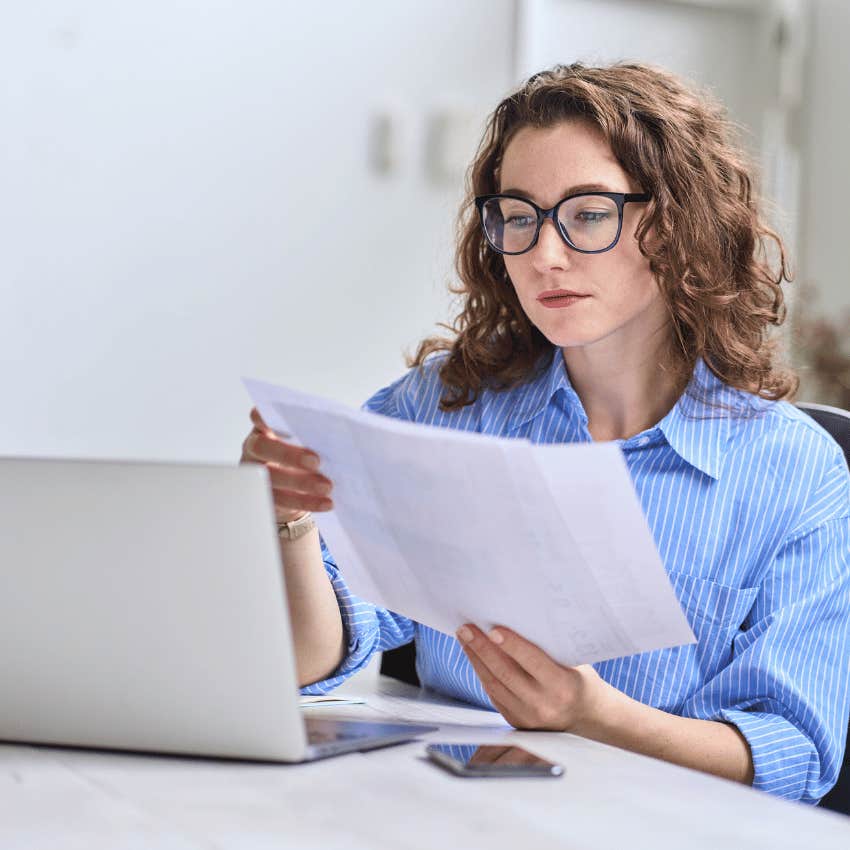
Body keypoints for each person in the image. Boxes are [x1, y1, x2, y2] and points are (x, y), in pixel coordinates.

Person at [241, 63, 850, 804]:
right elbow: (315, 659)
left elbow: (795, 753)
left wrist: (595, 717)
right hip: (443, 816)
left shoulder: (796, 468)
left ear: (675, 225)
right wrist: (290, 522)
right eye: (519, 215)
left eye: (588, 213)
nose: (544, 254)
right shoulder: (443, 405)